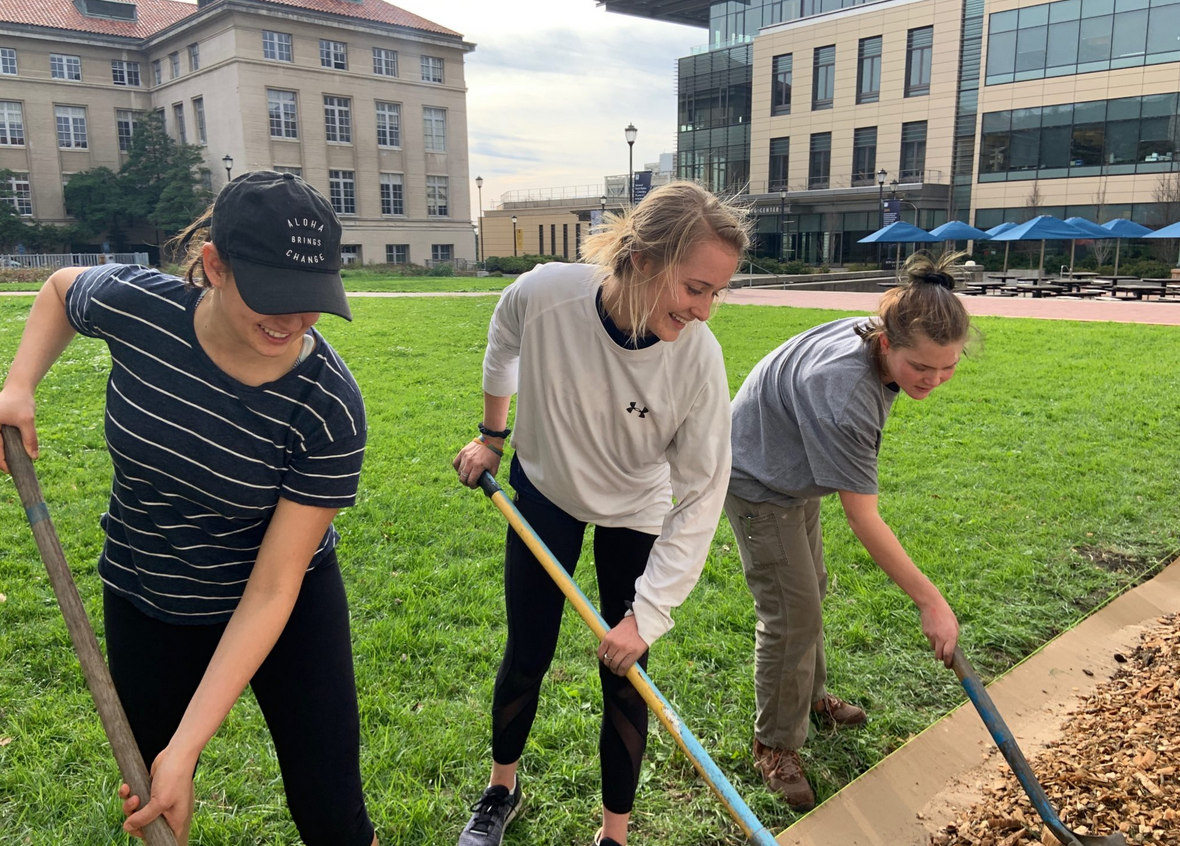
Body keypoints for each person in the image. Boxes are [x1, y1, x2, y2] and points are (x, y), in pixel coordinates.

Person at [0, 171, 376, 846]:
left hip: (281, 605)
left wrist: (191, 743)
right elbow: (60, 291)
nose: (292, 321)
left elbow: (272, 587)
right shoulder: (139, 308)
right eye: (274, 297)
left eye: (310, 300)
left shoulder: (328, 407)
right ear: (214, 266)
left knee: (332, 813)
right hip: (149, 591)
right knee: (158, 799)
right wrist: (19, 384)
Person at [451, 181, 749, 846]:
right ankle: (501, 789)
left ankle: (613, 834)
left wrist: (647, 615)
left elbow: (702, 495)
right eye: (695, 288)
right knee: (528, 651)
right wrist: (492, 436)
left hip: (634, 507)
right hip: (546, 487)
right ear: (641, 259)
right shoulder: (545, 293)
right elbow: (503, 340)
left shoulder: (697, 361)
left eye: (716, 293)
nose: (705, 310)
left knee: (625, 671)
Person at [725, 250, 970, 812]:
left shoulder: (878, 331)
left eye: (948, 366)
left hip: (791, 464)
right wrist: (930, 601)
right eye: (922, 368)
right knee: (793, 611)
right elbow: (863, 516)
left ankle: (809, 698)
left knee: (811, 584)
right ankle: (774, 743)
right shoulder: (845, 394)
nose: (934, 380)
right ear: (887, 343)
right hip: (759, 480)